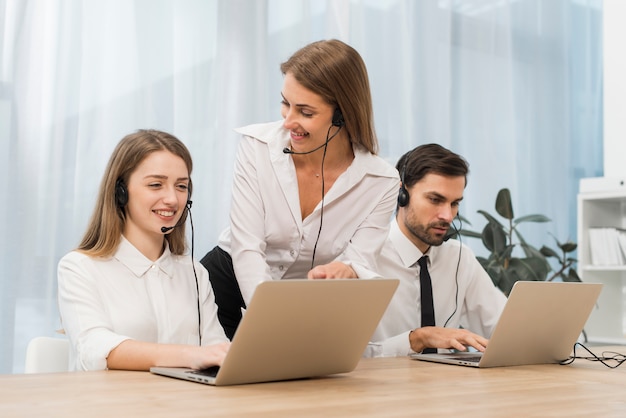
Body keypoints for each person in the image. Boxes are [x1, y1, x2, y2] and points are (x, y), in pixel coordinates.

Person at [202, 39, 399, 339]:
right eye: (285, 103)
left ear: (342, 115)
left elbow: (361, 261)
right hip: (227, 285)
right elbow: (247, 248)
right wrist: (272, 320)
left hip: (300, 303)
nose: (288, 122)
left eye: (305, 112)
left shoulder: (381, 182)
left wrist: (348, 270)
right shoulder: (256, 146)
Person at [58, 130, 230, 371]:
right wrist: (190, 355)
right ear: (121, 192)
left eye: (181, 186)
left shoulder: (194, 272)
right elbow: (94, 348)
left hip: (182, 406)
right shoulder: (79, 267)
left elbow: (217, 349)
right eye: (156, 184)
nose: (172, 199)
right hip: (109, 406)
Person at [363, 143, 507, 357]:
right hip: (381, 388)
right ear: (401, 192)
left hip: (447, 387)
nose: (447, 216)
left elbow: (502, 327)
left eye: (454, 203)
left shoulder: (459, 257)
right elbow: (345, 356)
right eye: (435, 200)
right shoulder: (363, 258)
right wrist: (416, 340)